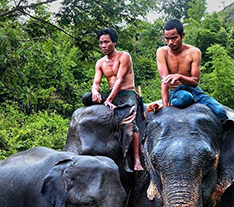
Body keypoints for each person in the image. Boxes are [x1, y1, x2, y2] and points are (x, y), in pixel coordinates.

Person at [82, 27, 143, 171]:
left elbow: (120, 80)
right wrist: (94, 91)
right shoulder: (100, 63)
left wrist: (108, 100)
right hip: (110, 94)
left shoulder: (124, 56)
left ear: (114, 42)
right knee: (86, 97)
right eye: (101, 43)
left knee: (129, 122)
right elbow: (96, 82)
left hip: (126, 93)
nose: (103, 46)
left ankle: (136, 159)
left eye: (106, 42)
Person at [146, 19, 226, 121]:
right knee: (185, 98)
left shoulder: (194, 52)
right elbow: (164, 80)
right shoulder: (162, 52)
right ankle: (171, 103)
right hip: (176, 91)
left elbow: (195, 82)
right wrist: (165, 105)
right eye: (167, 39)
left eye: (174, 38)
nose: (170, 42)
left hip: (194, 90)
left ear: (182, 35)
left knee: (220, 111)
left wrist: (180, 77)